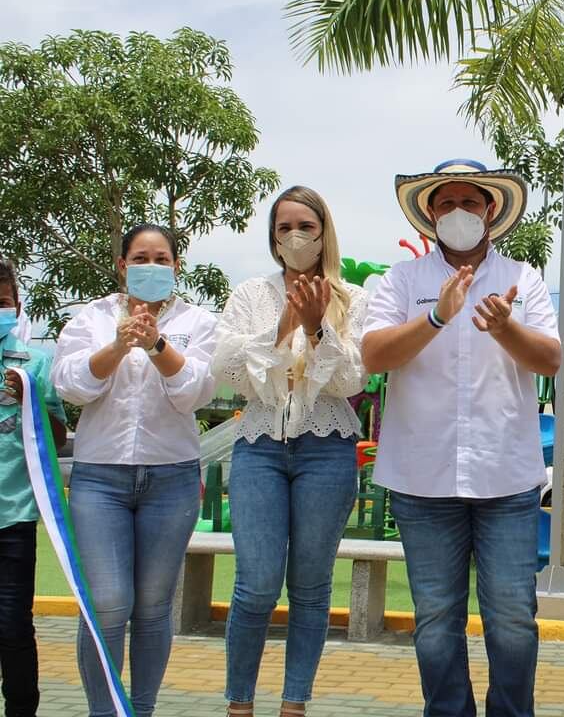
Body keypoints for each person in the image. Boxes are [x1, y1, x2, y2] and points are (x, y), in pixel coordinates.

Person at [363, 159, 559, 717]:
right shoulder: (401, 282)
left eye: (469, 203)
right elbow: (373, 354)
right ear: (430, 216)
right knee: (435, 621)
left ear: (490, 211)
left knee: (513, 619)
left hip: (507, 479)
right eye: (445, 204)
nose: (457, 214)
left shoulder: (524, 278)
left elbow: (551, 359)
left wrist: (506, 327)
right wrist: (435, 319)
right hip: (422, 481)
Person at [212, 186, 368, 717]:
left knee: (309, 585)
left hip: (327, 449)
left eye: (306, 225)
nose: (296, 237)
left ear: (324, 231)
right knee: (255, 585)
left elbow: (350, 380)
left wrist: (319, 327)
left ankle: (294, 703)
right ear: (273, 238)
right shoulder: (250, 294)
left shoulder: (350, 297)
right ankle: (239, 703)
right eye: (284, 228)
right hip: (259, 447)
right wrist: (284, 326)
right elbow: (229, 375)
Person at [50, 225, 218, 717]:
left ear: (176, 266)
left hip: (172, 478)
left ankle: (139, 710)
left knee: (151, 606)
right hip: (100, 478)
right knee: (107, 602)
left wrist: (158, 344)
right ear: (122, 265)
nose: (151, 267)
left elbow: (195, 393)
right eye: (140, 258)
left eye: (161, 258)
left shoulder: (198, 321)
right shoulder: (92, 318)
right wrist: (120, 345)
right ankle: (106, 711)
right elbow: (71, 385)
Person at [0, 257, 66, 717]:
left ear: (17, 307)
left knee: (12, 627)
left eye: (1, 302)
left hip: (14, 517)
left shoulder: (37, 363)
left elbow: (59, 437)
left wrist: (31, 405)